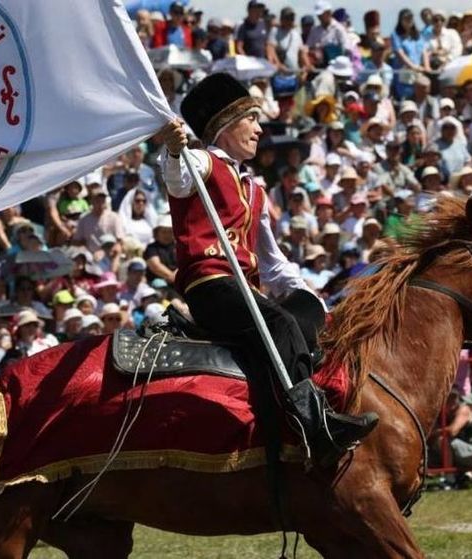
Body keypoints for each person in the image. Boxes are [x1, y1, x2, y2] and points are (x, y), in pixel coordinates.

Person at [158, 72, 378, 466]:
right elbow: (176, 182)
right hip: (212, 285)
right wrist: (174, 150)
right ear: (226, 126)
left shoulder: (255, 188)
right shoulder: (202, 161)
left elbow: (274, 262)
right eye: (252, 119)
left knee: (308, 315)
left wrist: (310, 295)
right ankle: (313, 426)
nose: (260, 130)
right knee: (279, 324)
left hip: (246, 290)